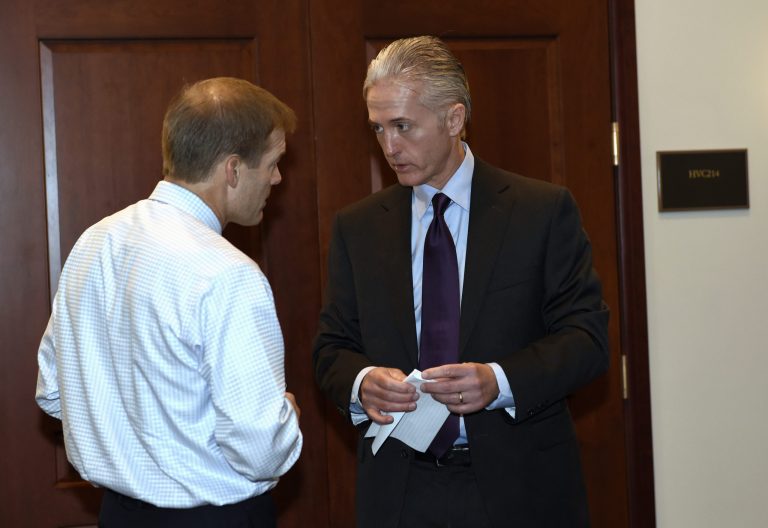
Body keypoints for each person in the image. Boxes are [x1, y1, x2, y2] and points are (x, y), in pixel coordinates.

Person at [313, 36, 609, 527]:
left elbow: (587, 341)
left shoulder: (540, 211)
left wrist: (500, 381)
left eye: (403, 127)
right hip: (400, 491)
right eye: (378, 129)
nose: (389, 147)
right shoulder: (358, 226)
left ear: (454, 119)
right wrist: (363, 383)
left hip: (521, 487)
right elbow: (331, 348)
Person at [36, 77, 302, 528]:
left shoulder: (93, 243)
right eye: (274, 163)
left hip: (117, 515)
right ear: (233, 169)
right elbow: (261, 450)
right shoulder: (229, 274)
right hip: (217, 519)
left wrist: (133, 433)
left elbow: (54, 392)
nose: (277, 177)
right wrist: (286, 419)